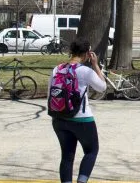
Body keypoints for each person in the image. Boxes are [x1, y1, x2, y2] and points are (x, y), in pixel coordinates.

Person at [47, 37, 106, 183]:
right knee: (91, 151)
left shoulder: (57, 69)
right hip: (82, 119)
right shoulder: (85, 71)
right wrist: (96, 65)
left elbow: (50, 92)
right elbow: (102, 88)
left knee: (67, 155)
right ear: (87, 53)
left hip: (59, 118)